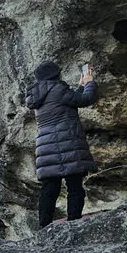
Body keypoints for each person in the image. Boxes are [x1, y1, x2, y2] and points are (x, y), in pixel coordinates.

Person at [25, 60, 97, 228]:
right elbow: (85, 99)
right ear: (56, 75)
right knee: (74, 186)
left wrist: (80, 87)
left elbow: (71, 101)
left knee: (50, 188)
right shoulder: (58, 88)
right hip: (67, 143)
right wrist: (89, 83)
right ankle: (73, 225)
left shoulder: (38, 94)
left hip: (46, 145)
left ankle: (44, 228)